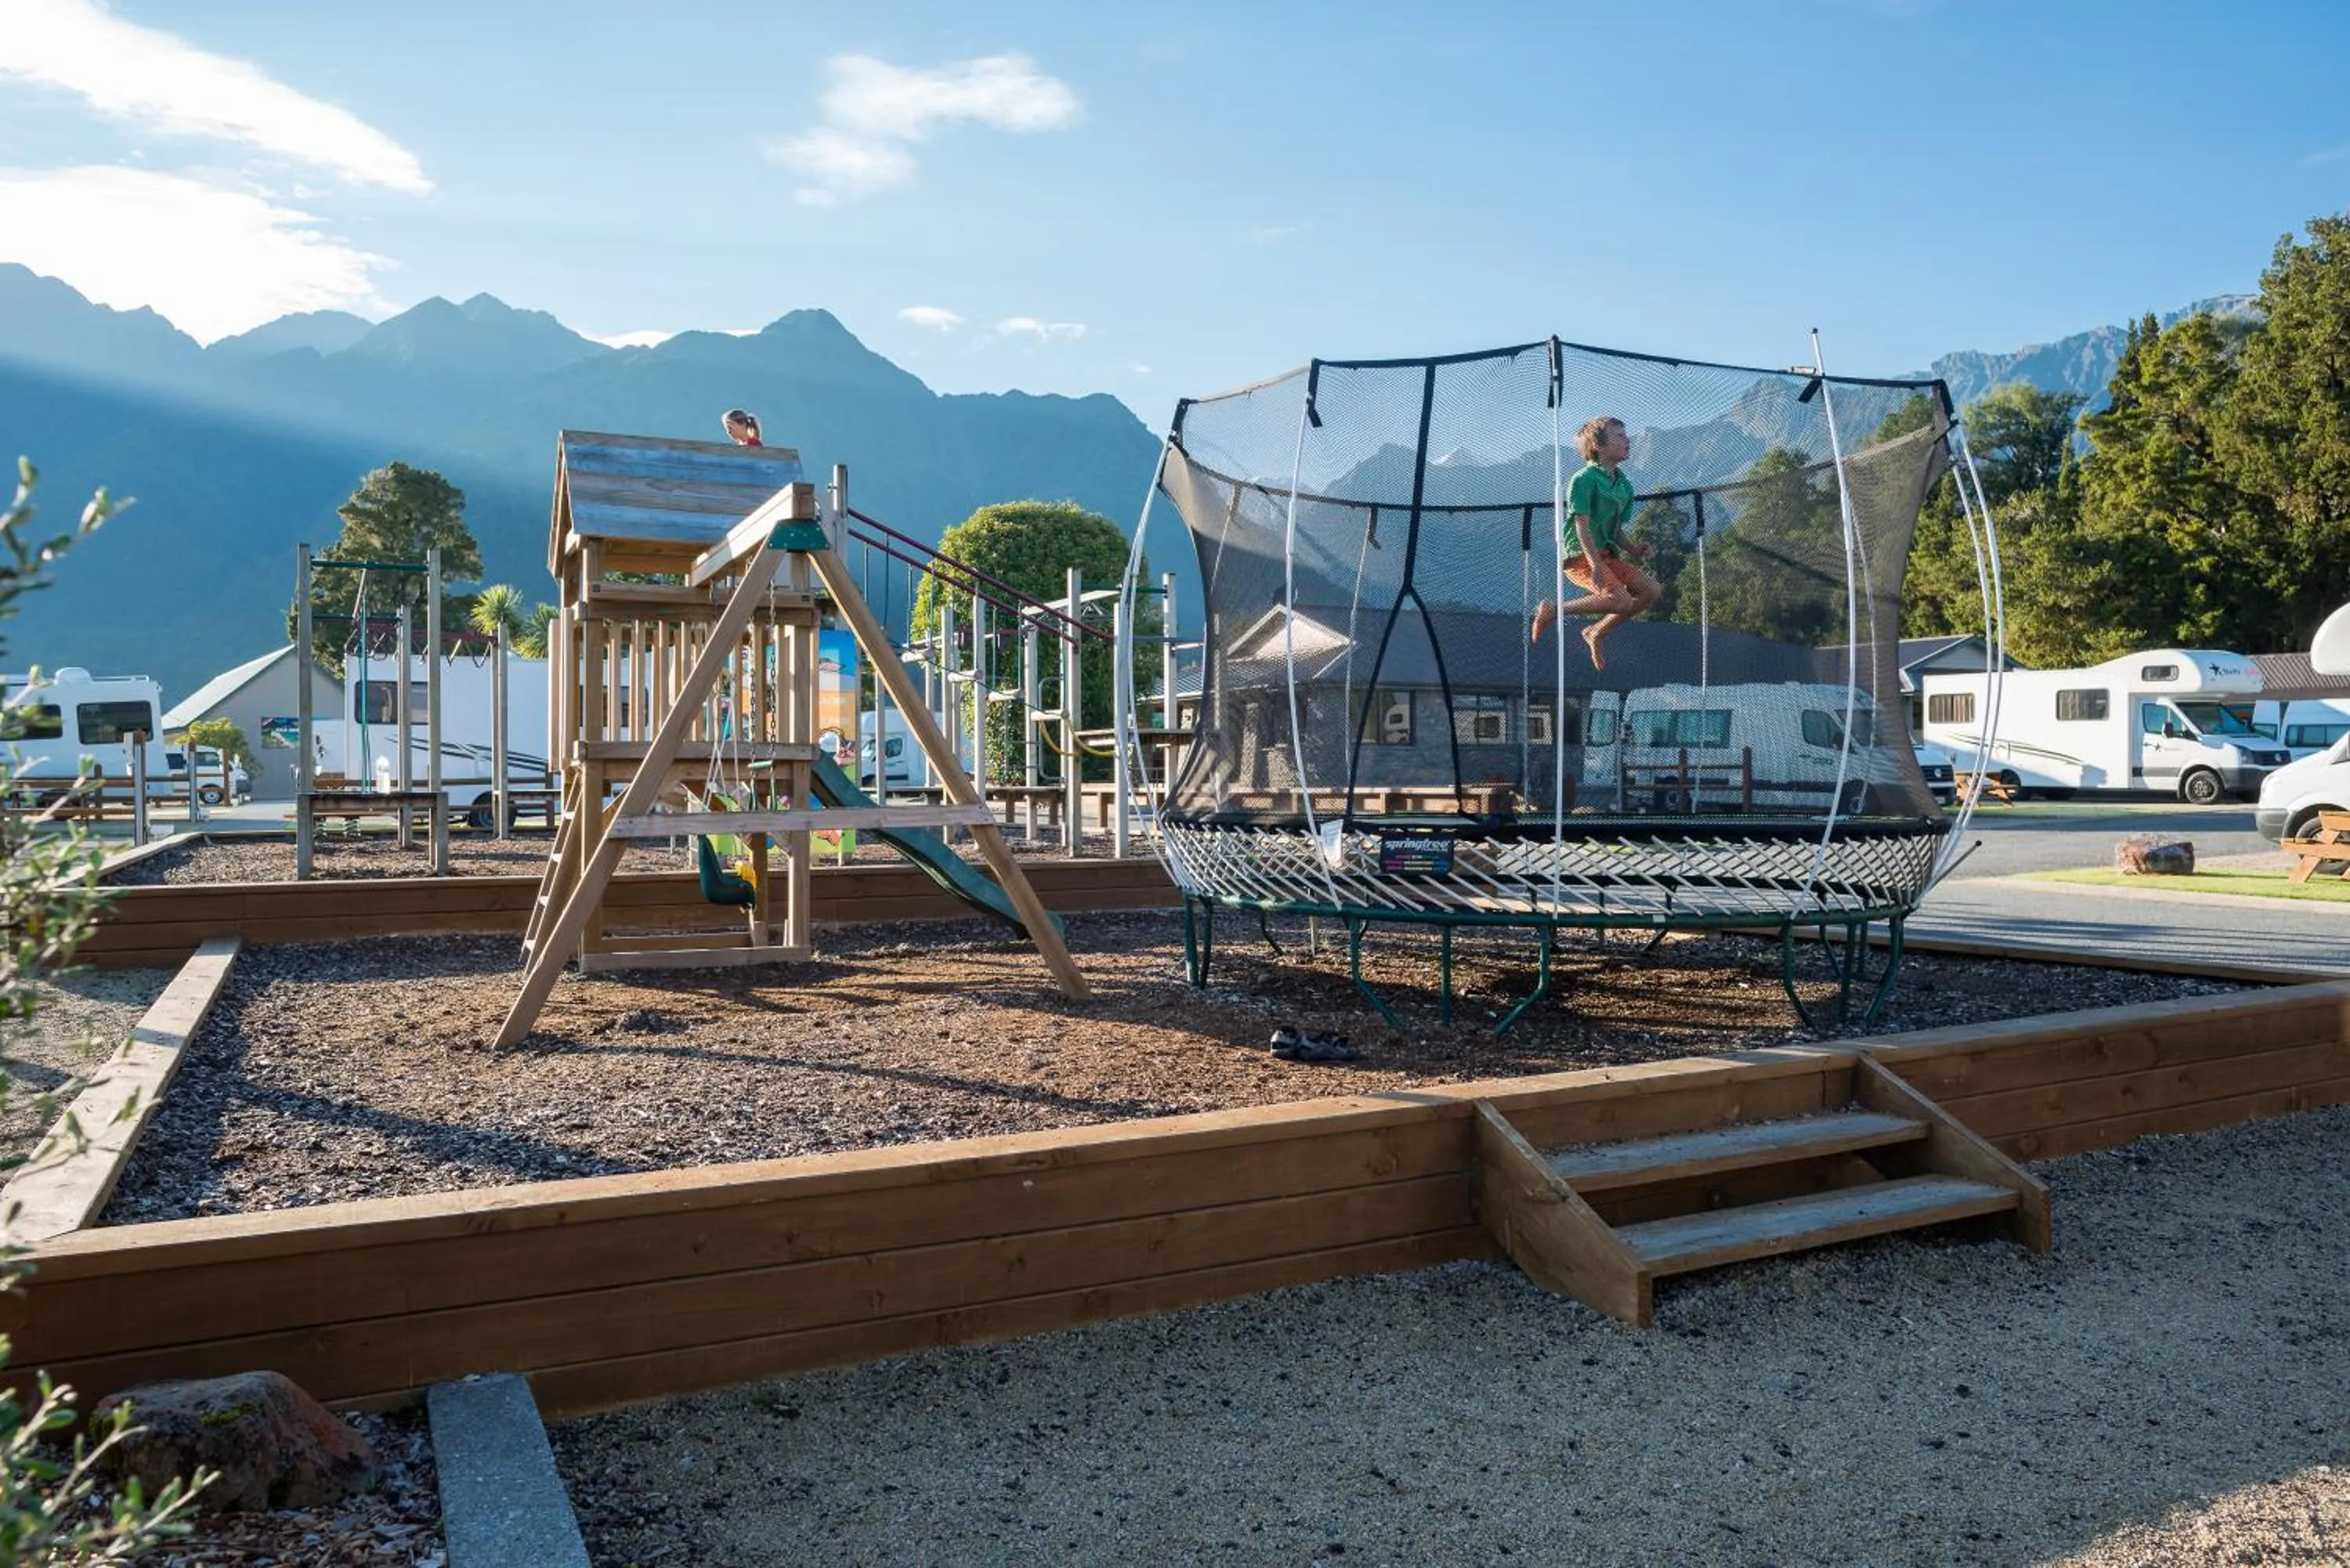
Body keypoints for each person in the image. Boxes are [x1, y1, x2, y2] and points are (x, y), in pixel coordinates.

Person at [1531, 414, 1660, 669]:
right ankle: (1553, 609)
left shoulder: (1624, 486)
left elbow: (1616, 530)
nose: (1627, 440)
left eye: (1626, 435)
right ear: (1599, 447)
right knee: (1621, 601)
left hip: (1607, 557)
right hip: (1581, 557)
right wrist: (1596, 565)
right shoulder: (1583, 480)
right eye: (1620, 436)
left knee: (1651, 590)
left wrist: (1635, 549)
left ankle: (1596, 632)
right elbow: (1582, 525)